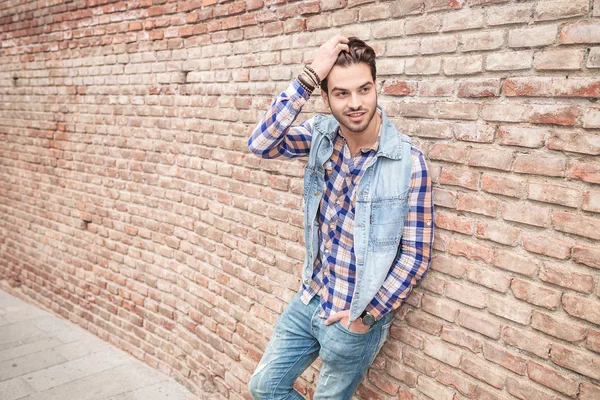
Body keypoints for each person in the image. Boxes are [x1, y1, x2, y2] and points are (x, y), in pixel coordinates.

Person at [246, 35, 434, 400]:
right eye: (342, 93)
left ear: (376, 86)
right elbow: (261, 143)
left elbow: (416, 255)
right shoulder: (321, 138)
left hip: (354, 317)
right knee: (264, 386)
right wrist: (309, 75)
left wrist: (367, 316)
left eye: (364, 89)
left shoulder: (409, 163)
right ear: (326, 97)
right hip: (311, 296)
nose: (356, 103)